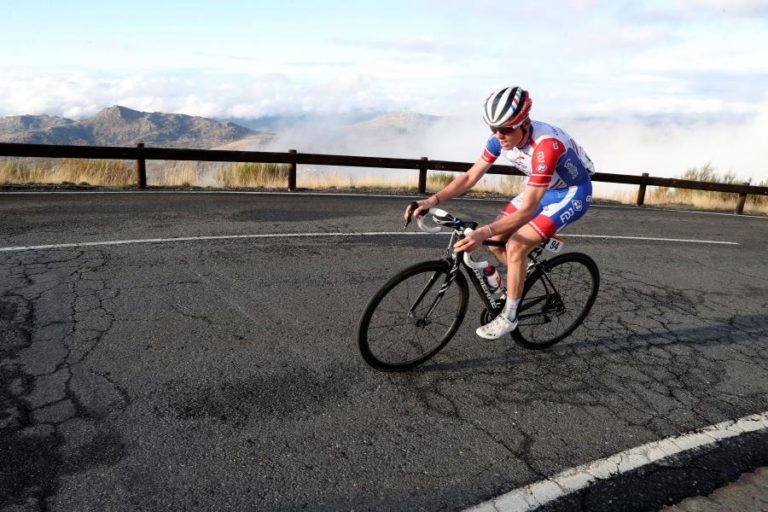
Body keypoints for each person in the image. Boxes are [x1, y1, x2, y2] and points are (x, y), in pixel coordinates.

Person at [405, 86, 595, 340]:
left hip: (572, 192)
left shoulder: (545, 146)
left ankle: (510, 315)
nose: (499, 135)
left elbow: (528, 209)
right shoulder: (499, 139)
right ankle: (524, 276)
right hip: (545, 188)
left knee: (515, 243)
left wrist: (482, 232)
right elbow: (471, 177)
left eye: (506, 129)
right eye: (493, 129)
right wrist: (432, 200)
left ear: (524, 123)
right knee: (497, 243)